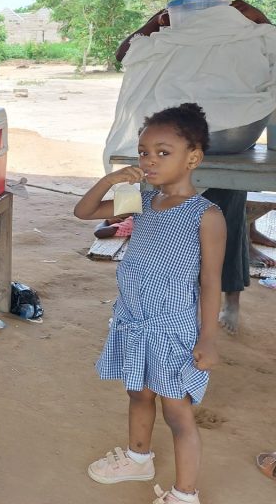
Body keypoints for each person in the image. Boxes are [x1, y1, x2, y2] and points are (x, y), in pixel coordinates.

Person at [115, 0, 274, 334]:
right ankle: (159, 299)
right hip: (179, 135)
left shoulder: (241, 16)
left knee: (227, 217)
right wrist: (153, 23)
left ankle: (231, 299)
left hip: (226, 136)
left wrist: (261, 19)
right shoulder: (173, 19)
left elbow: (270, 52)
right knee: (163, 218)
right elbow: (125, 55)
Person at [74, 103, 224, 504]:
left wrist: (208, 338)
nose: (149, 161)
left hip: (172, 329)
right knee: (138, 393)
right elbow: (83, 211)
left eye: (162, 152)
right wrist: (110, 179)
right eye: (143, 152)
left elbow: (211, 281)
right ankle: (138, 458)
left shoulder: (206, 215)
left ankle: (185, 493)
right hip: (134, 320)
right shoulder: (140, 199)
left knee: (177, 412)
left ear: (192, 158)